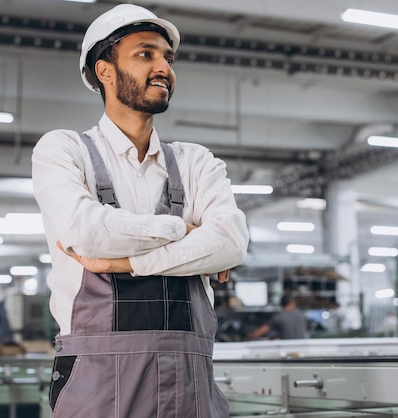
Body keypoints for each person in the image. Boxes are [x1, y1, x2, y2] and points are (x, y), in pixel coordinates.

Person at [31, 4, 249, 418]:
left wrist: (125, 261)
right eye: (146, 54)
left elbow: (231, 242)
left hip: (190, 379)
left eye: (168, 57)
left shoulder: (195, 160)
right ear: (105, 71)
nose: (163, 67)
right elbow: (86, 232)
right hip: (97, 381)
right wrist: (183, 231)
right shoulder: (64, 150)